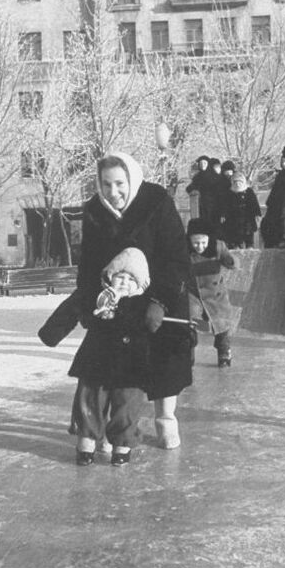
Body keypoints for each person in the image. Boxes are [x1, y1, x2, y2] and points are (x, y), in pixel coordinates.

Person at [69, 152, 193, 466]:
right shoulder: (96, 210)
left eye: (120, 183)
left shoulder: (156, 201)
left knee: (166, 360)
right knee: (113, 366)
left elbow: (176, 257)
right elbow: (89, 263)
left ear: (132, 180)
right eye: (107, 184)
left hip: (161, 294)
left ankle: (166, 419)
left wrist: (160, 301)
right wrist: (89, 301)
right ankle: (113, 431)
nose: (114, 192)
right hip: (118, 298)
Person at [187, 218, 237, 367]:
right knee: (190, 322)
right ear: (189, 240)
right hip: (193, 294)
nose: (200, 246)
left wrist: (231, 261)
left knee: (221, 324)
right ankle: (187, 353)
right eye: (195, 242)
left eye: (203, 242)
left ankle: (224, 352)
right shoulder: (184, 250)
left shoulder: (218, 247)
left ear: (209, 239)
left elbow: (231, 261)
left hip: (215, 293)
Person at [186, 155, 227, 238]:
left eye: (204, 163)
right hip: (203, 207)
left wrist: (223, 212)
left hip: (215, 208)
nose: (202, 165)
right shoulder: (197, 177)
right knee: (204, 228)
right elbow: (189, 188)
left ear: (208, 164)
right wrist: (194, 191)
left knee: (216, 229)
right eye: (200, 163)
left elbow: (221, 196)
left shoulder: (216, 177)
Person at [224, 172, 262, 249]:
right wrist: (223, 214)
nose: (238, 184)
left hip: (247, 218)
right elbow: (225, 205)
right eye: (235, 182)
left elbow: (254, 203)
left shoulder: (248, 191)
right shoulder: (229, 192)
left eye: (240, 182)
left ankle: (249, 247)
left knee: (248, 234)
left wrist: (257, 214)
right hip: (234, 218)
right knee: (235, 235)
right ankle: (237, 246)